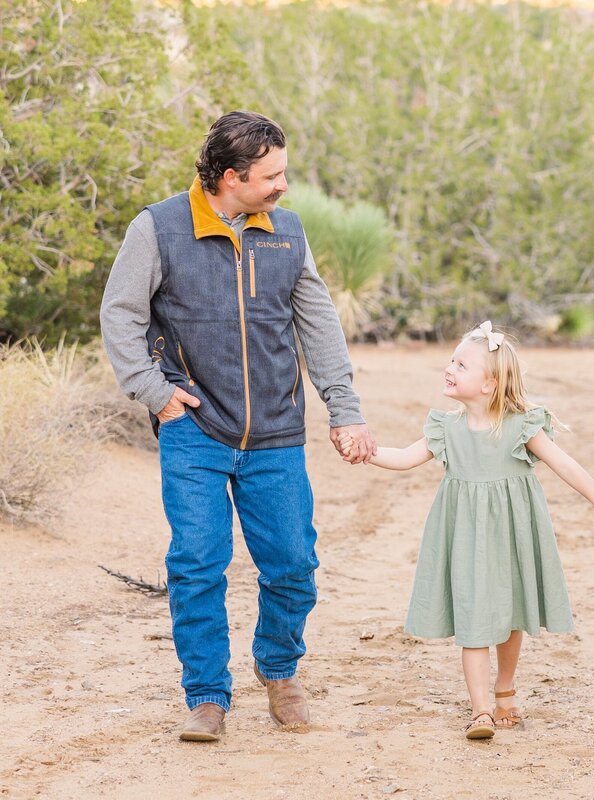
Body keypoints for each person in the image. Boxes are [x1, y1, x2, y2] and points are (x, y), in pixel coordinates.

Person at [100, 111, 376, 742]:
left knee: (293, 563)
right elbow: (119, 315)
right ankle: (205, 696)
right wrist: (154, 392)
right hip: (193, 427)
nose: (284, 186)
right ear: (231, 177)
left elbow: (318, 323)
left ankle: (278, 670)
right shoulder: (158, 228)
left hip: (276, 430)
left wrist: (344, 407)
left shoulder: (287, 231)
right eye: (271, 176)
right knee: (198, 563)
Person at [342, 322, 594, 740]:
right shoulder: (446, 428)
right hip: (466, 536)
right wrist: (365, 452)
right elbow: (403, 457)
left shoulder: (521, 427)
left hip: (512, 533)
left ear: (490, 384)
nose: (449, 368)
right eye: (451, 360)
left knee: (509, 615)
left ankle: (505, 688)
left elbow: (566, 465)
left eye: (461, 364)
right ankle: (480, 711)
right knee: (474, 616)